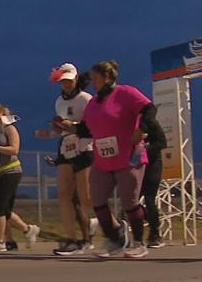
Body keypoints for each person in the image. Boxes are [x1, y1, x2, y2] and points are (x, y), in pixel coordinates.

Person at [60, 60, 153, 259]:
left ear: (107, 77)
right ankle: (114, 239)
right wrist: (72, 127)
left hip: (128, 156)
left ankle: (138, 242)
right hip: (103, 159)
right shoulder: (94, 102)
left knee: (130, 202)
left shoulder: (125, 93)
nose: (92, 82)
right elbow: (86, 128)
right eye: (91, 79)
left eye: (95, 79)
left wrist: (142, 129)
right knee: (97, 199)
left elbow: (148, 109)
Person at [35, 63, 97, 255]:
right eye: (63, 81)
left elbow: (94, 125)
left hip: (84, 147)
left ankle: (110, 224)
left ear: (76, 79)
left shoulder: (86, 99)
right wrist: (51, 133)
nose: (67, 84)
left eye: (69, 80)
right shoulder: (59, 102)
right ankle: (71, 239)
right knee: (64, 195)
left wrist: (74, 125)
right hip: (65, 148)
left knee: (85, 197)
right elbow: (60, 129)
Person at [0, 102, 41, 253]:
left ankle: (0, 241)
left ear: (1, 113)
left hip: (11, 171)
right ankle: (28, 229)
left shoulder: (9, 129)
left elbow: (15, 149)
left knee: (0, 206)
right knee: (5, 210)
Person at [139, 105, 167, 248]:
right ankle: (151, 219)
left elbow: (162, 142)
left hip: (153, 164)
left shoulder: (151, 123)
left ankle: (155, 233)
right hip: (136, 165)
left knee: (149, 198)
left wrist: (145, 148)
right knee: (131, 200)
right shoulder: (128, 123)